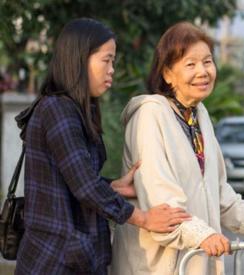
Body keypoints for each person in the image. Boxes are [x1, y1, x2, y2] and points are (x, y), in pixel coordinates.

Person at [111, 22, 244, 275]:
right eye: (190, 64)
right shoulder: (150, 115)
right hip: (156, 265)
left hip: (194, 260)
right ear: (167, 74)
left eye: (207, 62)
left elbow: (219, 196)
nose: (203, 71)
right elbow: (161, 199)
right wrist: (204, 235)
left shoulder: (198, 116)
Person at [14, 18, 191, 275]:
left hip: (73, 256)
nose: (111, 70)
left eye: (113, 62)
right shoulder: (58, 109)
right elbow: (85, 186)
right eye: (106, 60)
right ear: (79, 58)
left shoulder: (75, 109)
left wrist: (111, 186)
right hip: (54, 260)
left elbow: (73, 179)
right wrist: (144, 218)